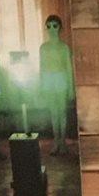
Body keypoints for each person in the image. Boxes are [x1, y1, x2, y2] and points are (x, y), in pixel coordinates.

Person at [34, 12, 76, 147]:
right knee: (53, 112)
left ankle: (62, 142)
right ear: (46, 28)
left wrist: (71, 89)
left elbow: (69, 68)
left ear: (60, 28)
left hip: (61, 79)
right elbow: (41, 68)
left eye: (55, 26)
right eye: (49, 26)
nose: (52, 29)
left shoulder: (64, 47)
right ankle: (56, 140)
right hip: (48, 80)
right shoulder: (43, 47)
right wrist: (41, 86)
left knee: (62, 111)